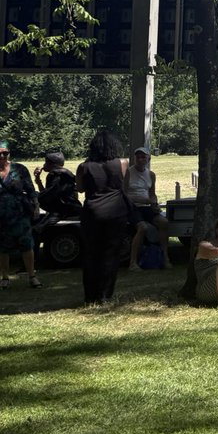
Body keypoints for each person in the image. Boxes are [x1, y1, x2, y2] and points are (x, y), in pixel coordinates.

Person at [76, 130, 134, 304]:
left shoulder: (83, 166)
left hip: (92, 212)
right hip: (115, 212)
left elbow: (80, 188)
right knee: (111, 254)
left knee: (91, 254)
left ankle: (89, 296)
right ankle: (105, 295)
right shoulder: (123, 163)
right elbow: (126, 186)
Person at [0, 139, 41, 290]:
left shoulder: (19, 169)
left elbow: (30, 189)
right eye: (0, 154)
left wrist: (36, 206)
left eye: (5, 153)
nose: (3, 157)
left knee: (27, 244)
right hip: (1, 215)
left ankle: (32, 276)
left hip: (19, 213)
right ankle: (4, 277)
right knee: (2, 247)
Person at [125, 147, 172, 271]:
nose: (140, 160)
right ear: (134, 158)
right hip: (133, 208)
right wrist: (141, 200)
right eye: (138, 157)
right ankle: (133, 262)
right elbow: (123, 194)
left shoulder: (151, 174)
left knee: (164, 222)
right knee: (142, 227)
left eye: (143, 157)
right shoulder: (128, 172)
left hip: (147, 208)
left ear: (148, 159)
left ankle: (165, 257)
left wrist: (154, 203)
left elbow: (152, 194)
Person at [34, 150, 82, 218]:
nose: (44, 165)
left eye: (46, 162)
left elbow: (46, 197)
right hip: (73, 208)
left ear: (52, 164)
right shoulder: (67, 173)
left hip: (63, 210)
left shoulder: (54, 174)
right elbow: (48, 193)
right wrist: (38, 180)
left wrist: (35, 196)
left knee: (33, 195)